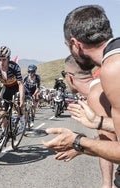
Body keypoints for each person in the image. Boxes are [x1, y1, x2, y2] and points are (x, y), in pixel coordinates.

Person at [42, 5, 120, 186]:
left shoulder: (113, 68)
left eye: (68, 46)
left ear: (76, 44)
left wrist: (77, 141)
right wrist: (99, 122)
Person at [60, 55, 117, 188]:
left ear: (70, 77)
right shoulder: (100, 86)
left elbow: (107, 140)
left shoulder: (95, 94)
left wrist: (106, 184)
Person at [0, 46, 25, 145]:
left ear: (9, 58)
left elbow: (21, 84)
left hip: (16, 88)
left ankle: (22, 119)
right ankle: (4, 132)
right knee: (2, 113)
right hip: (6, 88)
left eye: (4, 60)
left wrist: (22, 100)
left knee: (18, 104)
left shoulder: (15, 67)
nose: (1, 62)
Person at [23, 64, 41, 129]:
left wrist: (34, 94)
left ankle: (32, 119)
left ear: (34, 72)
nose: (30, 74)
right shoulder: (26, 77)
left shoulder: (37, 78)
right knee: (25, 107)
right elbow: (21, 85)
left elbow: (38, 88)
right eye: (29, 72)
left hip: (34, 92)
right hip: (26, 91)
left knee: (33, 107)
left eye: (32, 72)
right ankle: (25, 118)